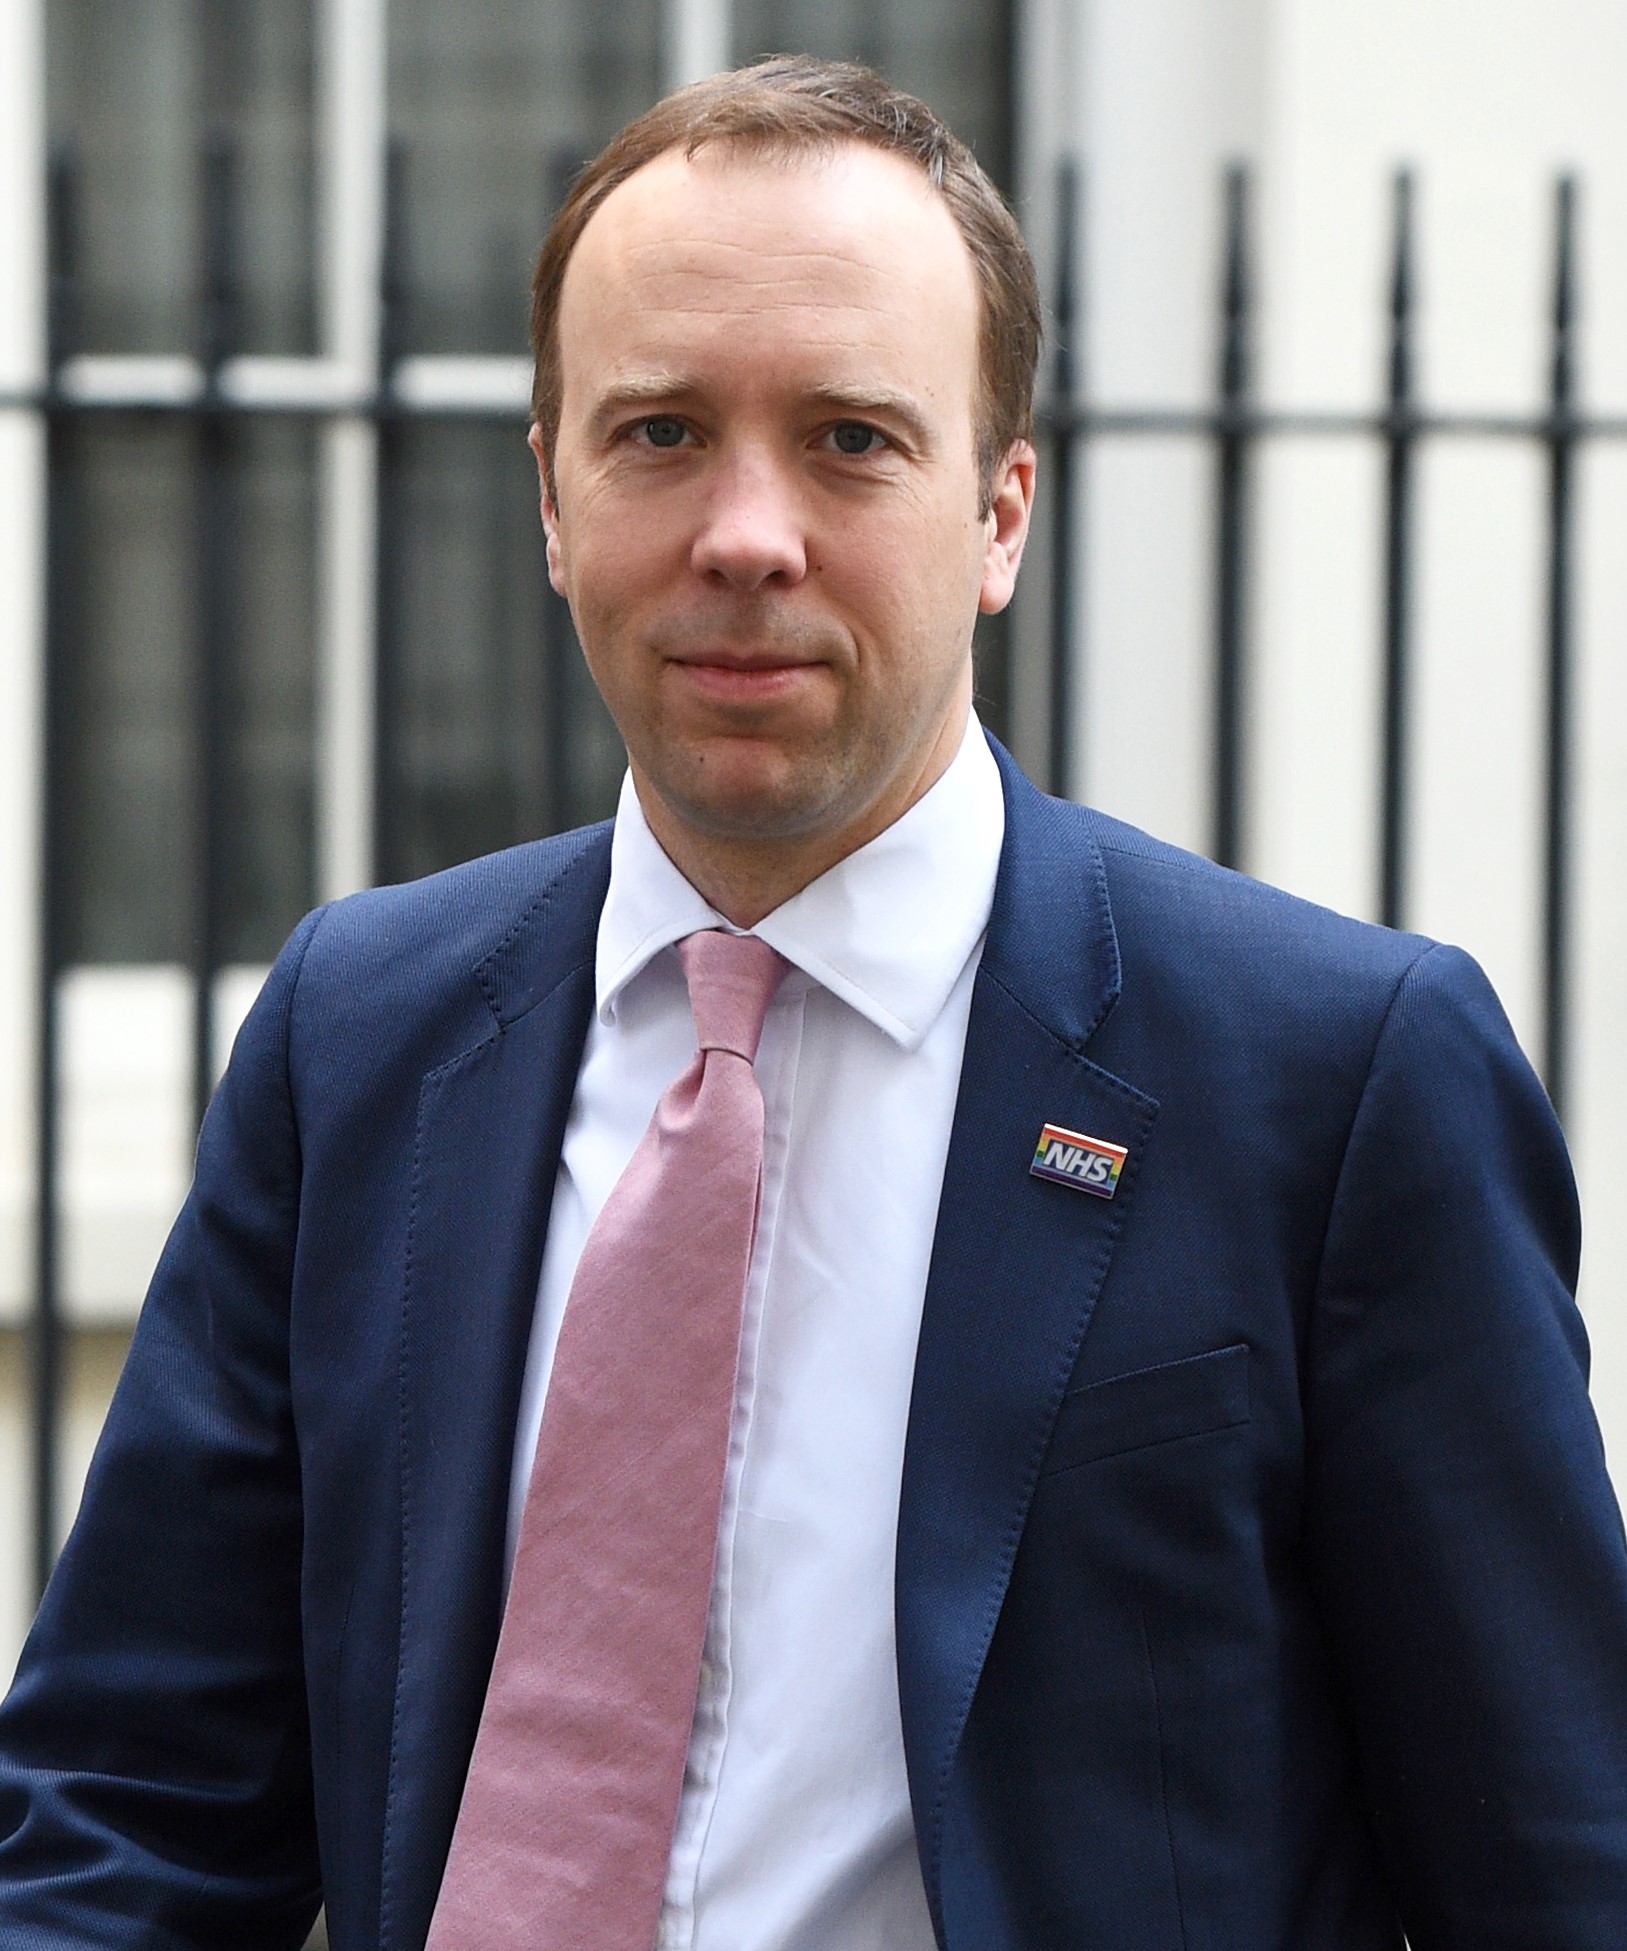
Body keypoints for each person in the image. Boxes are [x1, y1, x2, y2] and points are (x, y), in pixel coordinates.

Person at [2, 53, 1625, 1951]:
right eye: (662, 433)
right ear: (549, 497)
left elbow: (1557, 1865)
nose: (747, 533)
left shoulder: (1339, 1081)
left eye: (852, 439)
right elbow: (128, 1807)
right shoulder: (362, 1035)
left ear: (1003, 511)